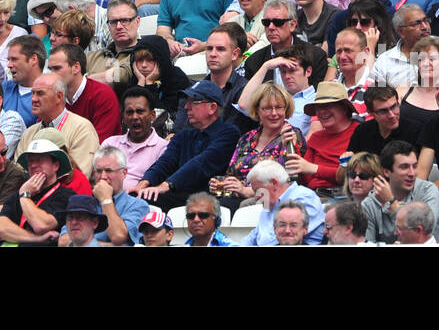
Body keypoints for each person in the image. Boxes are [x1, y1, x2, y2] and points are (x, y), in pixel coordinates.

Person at [133, 80, 242, 211]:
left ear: (212, 108)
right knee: (136, 196)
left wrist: (167, 185)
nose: (186, 107)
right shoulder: (183, 135)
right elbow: (164, 162)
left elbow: (202, 163)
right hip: (179, 195)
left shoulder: (229, 133)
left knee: (149, 199)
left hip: (209, 198)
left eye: (193, 102)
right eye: (187, 102)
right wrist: (144, 183)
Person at [211, 80, 307, 210]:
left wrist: (247, 191)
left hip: (270, 199)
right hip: (236, 198)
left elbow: (288, 179)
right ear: (257, 110)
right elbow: (232, 176)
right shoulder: (246, 138)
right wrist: (221, 185)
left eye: (279, 107)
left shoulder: (291, 135)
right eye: (267, 108)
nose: (274, 113)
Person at [0, 136, 78, 246]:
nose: (33, 165)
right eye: (30, 161)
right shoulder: (19, 194)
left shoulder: (67, 196)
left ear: (55, 166)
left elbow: (41, 225)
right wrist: (37, 239)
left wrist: (25, 196)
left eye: (40, 160)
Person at [362, 140, 439, 244]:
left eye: (414, 166)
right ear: (386, 171)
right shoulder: (369, 204)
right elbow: (368, 244)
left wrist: (391, 202)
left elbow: (424, 230)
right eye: (404, 167)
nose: (412, 173)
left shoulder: (428, 191)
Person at [244, 0, 330, 85]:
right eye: (266, 22)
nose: (271, 27)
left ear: (292, 25)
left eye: (277, 22)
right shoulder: (253, 62)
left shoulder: (315, 56)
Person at [241, 158, 325, 246]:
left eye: (258, 190)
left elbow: (280, 238)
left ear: (274, 183)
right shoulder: (268, 203)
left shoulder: (305, 197)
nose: (256, 197)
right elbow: (255, 235)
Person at [47, 43, 120, 142]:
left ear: (76, 67)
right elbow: (43, 136)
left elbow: (100, 144)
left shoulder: (103, 95)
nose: (51, 74)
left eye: (57, 68)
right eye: (50, 69)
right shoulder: (51, 97)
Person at [101, 86, 169, 189]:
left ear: (152, 115)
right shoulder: (110, 144)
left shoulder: (163, 149)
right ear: (123, 117)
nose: (135, 117)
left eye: (140, 111)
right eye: (129, 112)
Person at [348, 85, 421, 155]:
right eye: (383, 111)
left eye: (393, 107)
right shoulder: (362, 131)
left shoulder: (415, 131)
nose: (391, 115)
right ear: (371, 113)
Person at [87, 0, 140, 89]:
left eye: (125, 20)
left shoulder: (143, 54)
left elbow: (119, 76)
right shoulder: (93, 57)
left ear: (138, 21)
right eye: (114, 22)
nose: (119, 26)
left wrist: (84, 82)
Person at [3, 34, 46, 126]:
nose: (9, 65)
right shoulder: (3, 89)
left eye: (14, 59)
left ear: (33, 59)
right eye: (8, 60)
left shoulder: (48, 94)